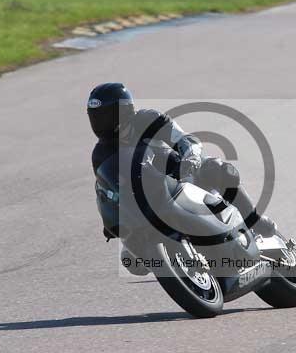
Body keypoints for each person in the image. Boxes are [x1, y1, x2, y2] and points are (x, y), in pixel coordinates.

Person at [87, 83, 277, 270]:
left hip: (183, 177)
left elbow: (183, 138)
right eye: (96, 117)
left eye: (106, 115)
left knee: (217, 169)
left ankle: (253, 219)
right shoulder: (101, 153)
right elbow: (110, 186)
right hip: (149, 201)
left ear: (124, 111)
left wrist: (191, 157)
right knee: (132, 260)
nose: (100, 122)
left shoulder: (147, 119)